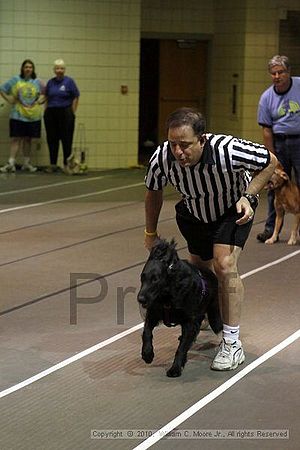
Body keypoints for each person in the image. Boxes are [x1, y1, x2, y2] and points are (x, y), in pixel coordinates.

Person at [144, 107, 277, 371]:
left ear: (202, 139)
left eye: (185, 145)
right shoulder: (162, 158)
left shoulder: (229, 149)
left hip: (232, 210)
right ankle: (203, 314)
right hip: (194, 212)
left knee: (224, 265)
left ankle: (231, 342)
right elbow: (153, 191)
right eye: (173, 145)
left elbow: (270, 161)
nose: (179, 152)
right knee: (200, 271)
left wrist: (249, 196)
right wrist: (150, 233)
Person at [256, 55, 300, 242]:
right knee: (274, 186)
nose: (277, 76)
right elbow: (266, 130)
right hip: (280, 142)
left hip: (299, 140)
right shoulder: (266, 98)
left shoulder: (298, 86)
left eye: (280, 72)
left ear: (288, 72)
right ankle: (270, 229)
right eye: (273, 73)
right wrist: (272, 157)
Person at [0, 59, 44, 173]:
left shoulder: (37, 82)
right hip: (18, 115)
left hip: (33, 116)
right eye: (26, 67)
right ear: (22, 69)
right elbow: (2, 89)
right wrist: (10, 99)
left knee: (28, 140)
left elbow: (47, 93)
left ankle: (26, 163)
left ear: (33, 69)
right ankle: (11, 163)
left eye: (30, 67)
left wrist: (40, 101)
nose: (28, 69)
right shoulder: (16, 80)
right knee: (16, 139)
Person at [44, 59, 80, 173]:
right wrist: (45, 110)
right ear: (54, 70)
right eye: (57, 68)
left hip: (65, 112)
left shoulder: (69, 82)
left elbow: (75, 96)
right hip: (51, 112)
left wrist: (72, 111)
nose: (59, 70)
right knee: (52, 139)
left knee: (66, 139)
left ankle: (66, 164)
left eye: (61, 68)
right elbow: (46, 96)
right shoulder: (50, 82)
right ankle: (53, 164)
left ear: (64, 70)